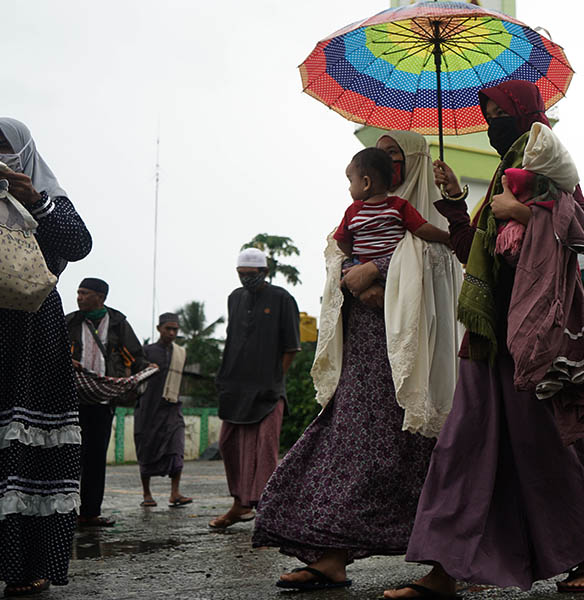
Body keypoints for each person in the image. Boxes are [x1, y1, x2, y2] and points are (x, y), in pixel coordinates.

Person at [390, 81, 584, 598]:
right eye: (488, 114)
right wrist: (456, 202)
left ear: (524, 115)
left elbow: (578, 228)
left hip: (535, 333)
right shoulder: (499, 177)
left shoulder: (545, 163)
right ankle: (443, 569)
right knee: (460, 448)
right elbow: (478, 251)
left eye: (501, 114)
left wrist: (525, 212)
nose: (494, 123)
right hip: (488, 334)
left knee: (550, 445)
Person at [252, 131, 453, 591]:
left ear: (415, 162)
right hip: (362, 356)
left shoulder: (429, 212)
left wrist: (382, 271)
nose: (382, 163)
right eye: (378, 156)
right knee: (346, 445)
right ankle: (330, 556)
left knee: (419, 456)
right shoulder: (360, 214)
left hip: (413, 365)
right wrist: (352, 274)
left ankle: (449, 564)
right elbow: (338, 256)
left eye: (393, 155)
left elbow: (437, 273)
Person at [0, 118, 92, 596]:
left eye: (3, 147)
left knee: (30, 452)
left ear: (25, 153)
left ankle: (31, 565)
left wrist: (36, 202)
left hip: (34, 339)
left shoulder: (51, 202)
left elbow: (78, 244)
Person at [210, 248, 301, 528]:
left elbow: (291, 347)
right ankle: (239, 505)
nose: (246, 279)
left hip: (268, 390)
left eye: (251, 275)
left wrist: (274, 379)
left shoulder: (282, 299)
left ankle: (268, 516)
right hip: (235, 387)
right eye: (241, 275)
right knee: (229, 444)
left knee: (264, 451)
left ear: (265, 272)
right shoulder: (234, 298)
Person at [65, 277, 148, 527]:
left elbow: (135, 355)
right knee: (69, 456)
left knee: (95, 456)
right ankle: (65, 512)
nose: (79, 297)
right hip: (72, 398)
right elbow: (52, 351)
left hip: (103, 400)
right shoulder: (69, 322)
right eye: (78, 292)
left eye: (85, 293)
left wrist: (145, 371)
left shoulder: (118, 324)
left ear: (100, 297)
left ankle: (90, 513)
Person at [332, 147, 449, 293]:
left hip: (362, 264)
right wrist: (447, 237)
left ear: (366, 183)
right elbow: (421, 228)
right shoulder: (399, 206)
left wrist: (356, 255)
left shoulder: (353, 211)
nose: (349, 188)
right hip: (394, 270)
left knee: (345, 280)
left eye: (351, 181)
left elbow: (341, 241)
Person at [135, 313, 192, 508]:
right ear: (159, 328)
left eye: (175, 329)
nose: (172, 332)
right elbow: (136, 374)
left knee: (176, 448)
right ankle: (147, 494)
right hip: (148, 409)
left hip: (172, 407)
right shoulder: (146, 351)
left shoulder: (180, 353)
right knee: (146, 449)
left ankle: (175, 493)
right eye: (168, 328)